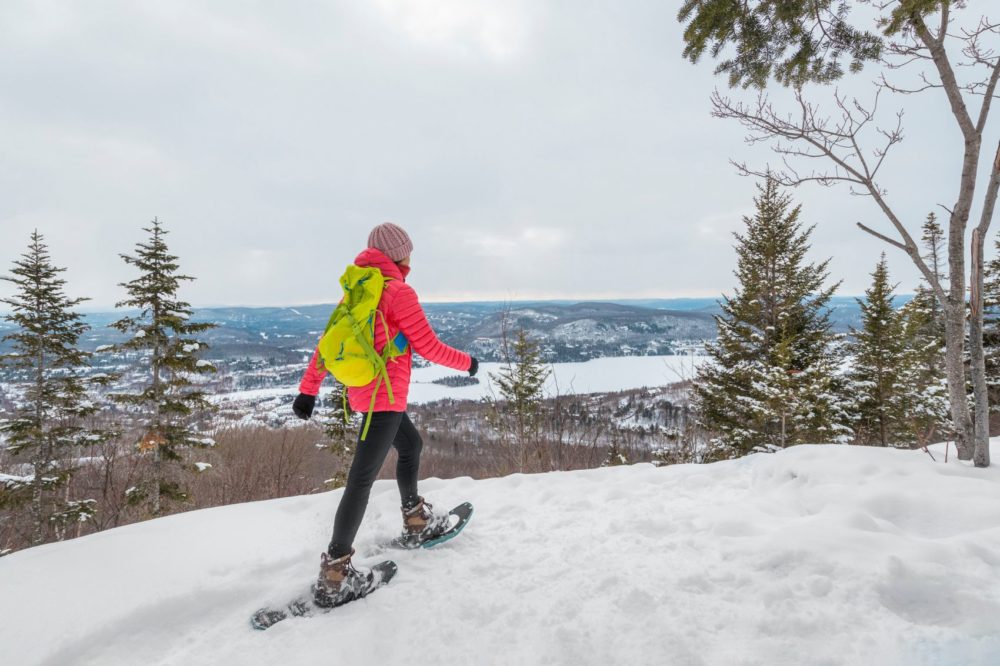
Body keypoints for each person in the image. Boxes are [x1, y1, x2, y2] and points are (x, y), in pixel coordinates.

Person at [291, 222, 479, 607]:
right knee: (361, 480)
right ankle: (335, 577)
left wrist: (308, 390)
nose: (411, 258)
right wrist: (468, 363)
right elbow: (428, 345)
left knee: (411, 445)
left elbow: (327, 345)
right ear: (399, 254)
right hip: (385, 398)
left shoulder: (359, 290)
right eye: (408, 252)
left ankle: (416, 520)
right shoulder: (397, 292)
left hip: (368, 393)